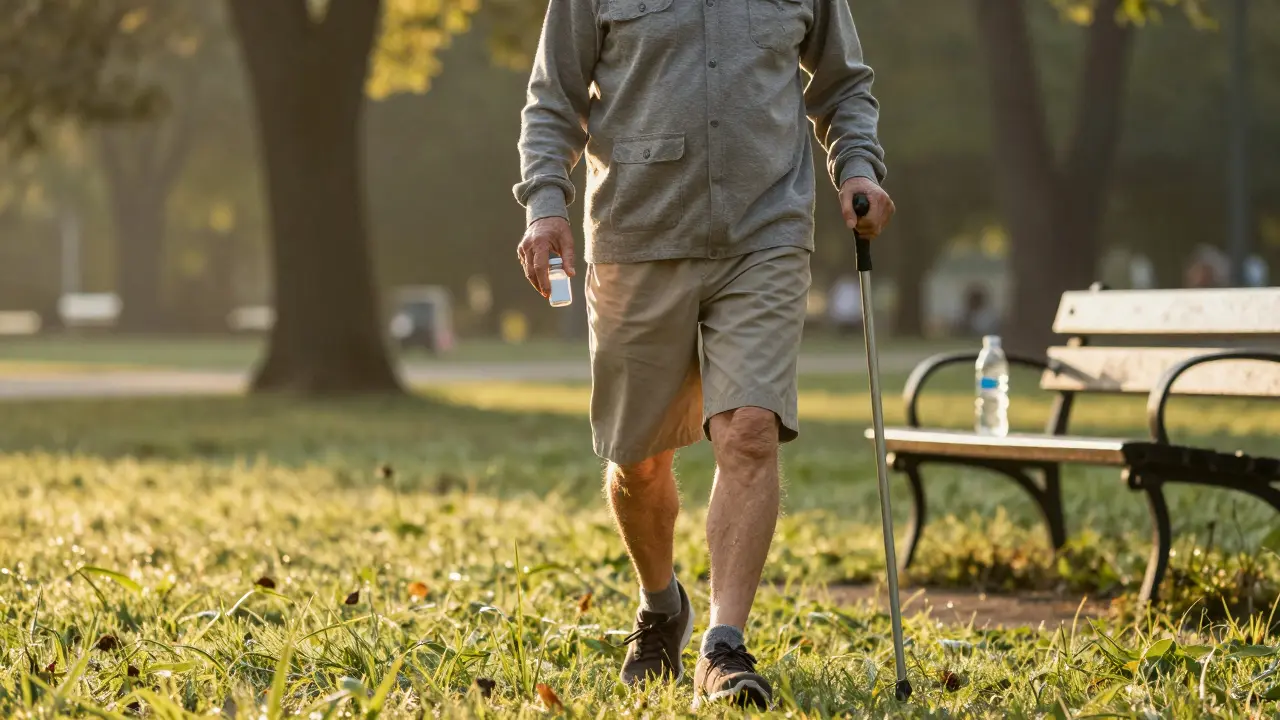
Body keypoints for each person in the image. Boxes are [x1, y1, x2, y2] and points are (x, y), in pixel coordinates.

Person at [513, 0, 893, 707]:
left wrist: (859, 168)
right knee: (638, 460)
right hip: (636, 236)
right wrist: (544, 205)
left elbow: (842, 85)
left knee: (750, 430)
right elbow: (552, 98)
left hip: (766, 234)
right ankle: (661, 606)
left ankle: (723, 645)